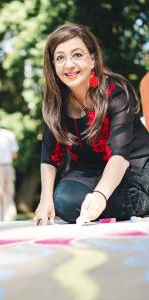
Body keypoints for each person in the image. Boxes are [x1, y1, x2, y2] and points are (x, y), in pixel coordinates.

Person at [33, 23, 149, 226]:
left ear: (93, 59)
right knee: (64, 202)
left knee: (116, 198)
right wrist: (45, 200)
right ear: (52, 65)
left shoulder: (116, 90)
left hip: (134, 166)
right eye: (60, 58)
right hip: (88, 171)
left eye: (77, 55)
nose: (69, 65)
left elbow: (120, 154)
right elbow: (49, 157)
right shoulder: (55, 102)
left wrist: (100, 196)